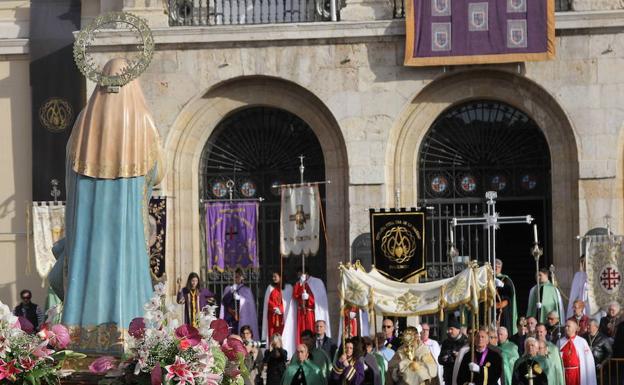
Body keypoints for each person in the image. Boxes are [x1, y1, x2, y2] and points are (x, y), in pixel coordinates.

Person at [52, 58, 165, 351]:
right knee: (126, 269)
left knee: (89, 266)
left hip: (90, 230)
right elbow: (158, 171)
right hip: (125, 227)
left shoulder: (83, 123)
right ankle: (130, 334)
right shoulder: (143, 121)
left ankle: (81, 333)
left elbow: (69, 172)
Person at [292, 270, 331, 345]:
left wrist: (309, 297)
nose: (300, 277)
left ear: (306, 273)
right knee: (301, 331)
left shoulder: (316, 282)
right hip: (301, 313)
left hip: (310, 313)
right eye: (299, 276)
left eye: (301, 275)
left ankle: (311, 346)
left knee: (311, 330)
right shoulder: (299, 283)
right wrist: (300, 284)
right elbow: (295, 295)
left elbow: (319, 300)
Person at [262, 271, 295, 356]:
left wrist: (281, 309)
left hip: (283, 318)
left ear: (281, 276)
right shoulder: (270, 288)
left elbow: (289, 303)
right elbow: (267, 302)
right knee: (272, 334)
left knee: (283, 334)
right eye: (273, 276)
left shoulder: (288, 287)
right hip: (273, 317)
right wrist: (274, 308)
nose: (273, 278)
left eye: (275, 276)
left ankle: (283, 352)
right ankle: (272, 353)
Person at [220, 268, 259, 337]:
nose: (236, 279)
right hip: (230, 317)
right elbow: (224, 302)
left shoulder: (246, 290)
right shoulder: (228, 288)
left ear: (242, 278)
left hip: (241, 317)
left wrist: (240, 298)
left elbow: (248, 303)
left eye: (238, 277)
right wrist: (230, 293)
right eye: (235, 277)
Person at [558, 319, 596, 385]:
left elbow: (588, 360)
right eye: (565, 326)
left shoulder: (581, 341)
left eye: (568, 326)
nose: (566, 328)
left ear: (574, 329)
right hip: (563, 373)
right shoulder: (560, 342)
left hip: (577, 373)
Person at [438, 320, 466, 385]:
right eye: (448, 329)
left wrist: (459, 356)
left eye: (451, 329)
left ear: (458, 330)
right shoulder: (446, 342)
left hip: (460, 377)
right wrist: (443, 358)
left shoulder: (465, 342)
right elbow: (439, 359)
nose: (449, 331)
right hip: (448, 378)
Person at [495, 259, 518, 335]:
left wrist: (502, 285)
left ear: (501, 268)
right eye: (494, 266)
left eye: (498, 267)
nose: (496, 268)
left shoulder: (505, 279)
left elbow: (510, 293)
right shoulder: (487, 278)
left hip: (502, 310)